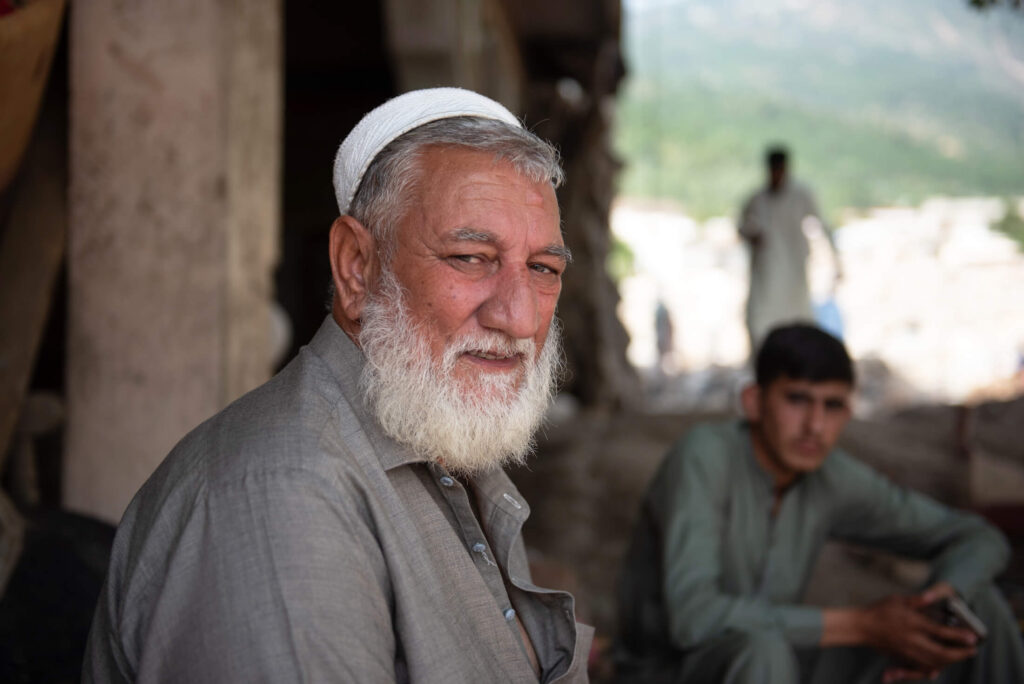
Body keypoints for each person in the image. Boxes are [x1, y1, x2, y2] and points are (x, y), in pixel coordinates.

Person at [82, 88, 593, 683]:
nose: (520, 317)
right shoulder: (284, 496)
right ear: (356, 265)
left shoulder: (440, 444)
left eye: (543, 269)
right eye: (470, 257)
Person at [616, 323, 1024, 684]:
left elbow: (978, 537)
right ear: (754, 401)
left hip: (782, 665)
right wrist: (865, 625)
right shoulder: (705, 456)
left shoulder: (830, 475)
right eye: (797, 399)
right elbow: (694, 619)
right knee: (762, 651)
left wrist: (935, 604)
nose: (815, 425)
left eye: (832, 406)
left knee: (979, 604)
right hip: (669, 670)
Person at [738, 147, 840, 352]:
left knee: (797, 326)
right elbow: (742, 227)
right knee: (760, 324)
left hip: (794, 274)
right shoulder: (757, 199)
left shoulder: (801, 195)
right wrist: (753, 236)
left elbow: (823, 226)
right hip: (766, 275)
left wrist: (837, 262)